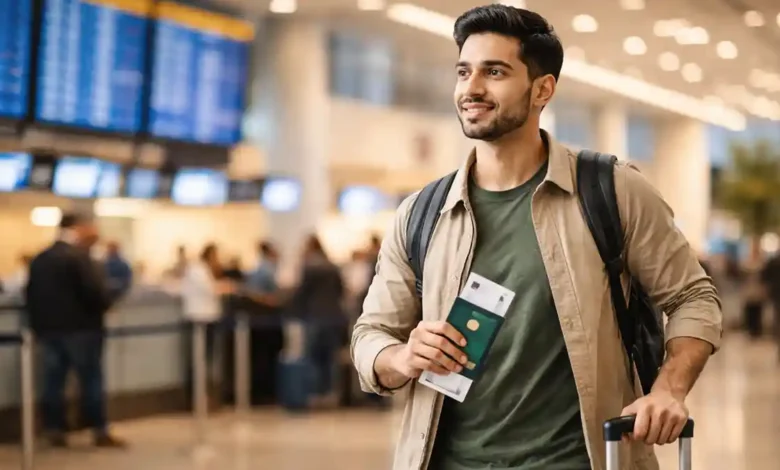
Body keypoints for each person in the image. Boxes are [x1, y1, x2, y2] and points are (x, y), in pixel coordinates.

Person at [351, 5, 722, 470]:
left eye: (495, 72)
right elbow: (371, 334)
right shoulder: (423, 213)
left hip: (579, 459)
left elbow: (694, 296)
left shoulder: (610, 190)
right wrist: (402, 356)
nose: (472, 88)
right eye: (463, 71)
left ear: (543, 89)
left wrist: (668, 390)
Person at [25, 213, 125, 448]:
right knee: (90, 379)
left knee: (53, 381)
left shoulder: (41, 258)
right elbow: (95, 293)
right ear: (79, 228)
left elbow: (31, 295)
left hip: (49, 331)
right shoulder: (80, 258)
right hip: (82, 330)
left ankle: (54, 428)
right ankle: (99, 429)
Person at [289, 235, 346, 407]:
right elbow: (340, 290)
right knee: (330, 358)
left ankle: (315, 395)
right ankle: (332, 394)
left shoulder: (308, 267)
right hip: (334, 316)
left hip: (314, 316)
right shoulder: (332, 266)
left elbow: (302, 293)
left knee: (314, 358)